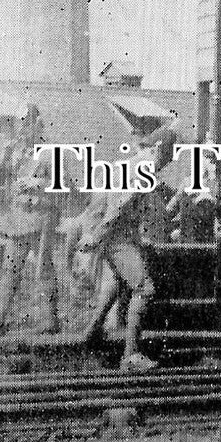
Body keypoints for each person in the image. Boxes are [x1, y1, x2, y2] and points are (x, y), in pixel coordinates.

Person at [72, 126, 178, 371]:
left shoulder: (128, 165)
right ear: (159, 150)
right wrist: (97, 237)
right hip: (117, 239)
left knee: (120, 283)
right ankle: (130, 355)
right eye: (167, 158)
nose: (166, 164)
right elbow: (117, 209)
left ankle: (91, 332)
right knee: (145, 288)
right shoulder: (142, 171)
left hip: (118, 237)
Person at [0, 105, 62, 336]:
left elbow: (65, 187)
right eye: (21, 124)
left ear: (38, 126)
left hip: (41, 218)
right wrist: (5, 156)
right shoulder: (16, 152)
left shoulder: (49, 153)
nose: (23, 129)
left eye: (28, 124)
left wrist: (39, 184)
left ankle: (50, 319)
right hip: (19, 219)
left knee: (43, 268)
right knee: (10, 268)